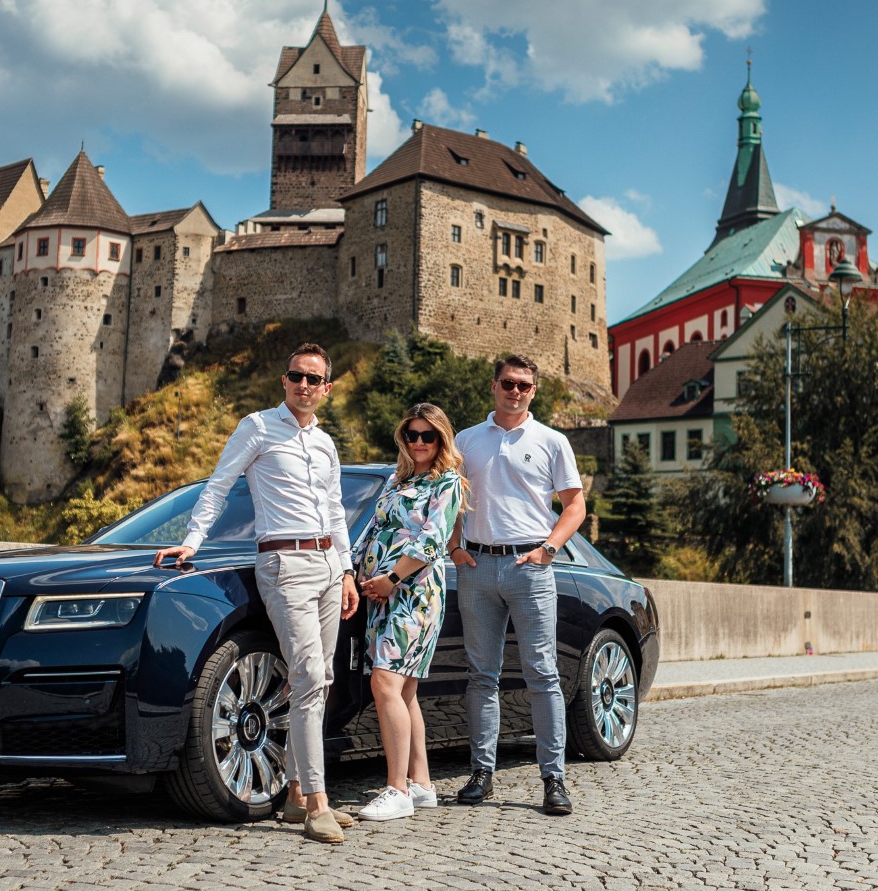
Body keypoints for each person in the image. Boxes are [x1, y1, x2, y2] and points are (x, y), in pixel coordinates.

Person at [153, 342, 360, 843]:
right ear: (284, 381)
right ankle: (318, 802)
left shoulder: (327, 444)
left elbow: (335, 512)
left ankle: (292, 795)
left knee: (321, 677)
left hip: (329, 564)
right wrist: (191, 541)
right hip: (284, 562)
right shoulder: (258, 427)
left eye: (314, 379)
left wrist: (348, 569)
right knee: (309, 674)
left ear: (327, 388)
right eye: (296, 376)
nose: (304, 385)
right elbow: (219, 485)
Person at [448, 354, 586, 815]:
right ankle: (481, 774)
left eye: (525, 385)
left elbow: (575, 505)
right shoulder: (466, 440)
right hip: (478, 567)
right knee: (480, 674)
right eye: (509, 383)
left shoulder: (551, 441)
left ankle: (554, 779)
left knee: (542, 673)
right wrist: (454, 548)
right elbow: (449, 500)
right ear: (494, 385)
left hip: (530, 566)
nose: (516, 391)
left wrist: (548, 549)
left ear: (534, 391)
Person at [351, 403, 467, 822]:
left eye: (427, 436)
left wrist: (392, 580)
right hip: (381, 594)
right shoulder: (398, 480)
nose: (419, 443)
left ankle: (396, 789)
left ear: (441, 439)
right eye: (412, 435)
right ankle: (421, 784)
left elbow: (433, 541)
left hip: (413, 595)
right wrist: (350, 569)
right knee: (403, 692)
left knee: (384, 683)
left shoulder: (446, 482)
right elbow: (370, 532)